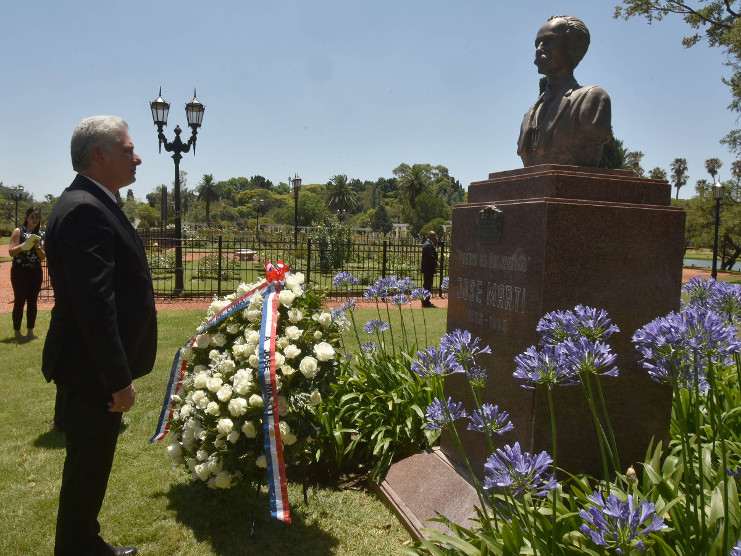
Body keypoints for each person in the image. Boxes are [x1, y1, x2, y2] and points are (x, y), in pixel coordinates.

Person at [42, 116, 157, 556]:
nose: (138, 157)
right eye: (128, 149)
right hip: (93, 373)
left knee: (89, 471)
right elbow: (95, 304)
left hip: (89, 368)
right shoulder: (86, 209)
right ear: (100, 155)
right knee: (87, 472)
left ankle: (85, 545)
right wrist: (117, 379)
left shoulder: (91, 202)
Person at [517, 15, 612, 167]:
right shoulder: (531, 113)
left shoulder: (591, 98)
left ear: (573, 48)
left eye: (549, 41)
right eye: (537, 43)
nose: (539, 49)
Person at [8, 206, 46, 340]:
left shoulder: (40, 234)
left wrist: (37, 247)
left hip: (35, 271)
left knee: (32, 301)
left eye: (37, 217)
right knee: (19, 300)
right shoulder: (19, 231)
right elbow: (11, 252)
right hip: (20, 270)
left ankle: (30, 331)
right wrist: (24, 245)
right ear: (26, 218)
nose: (35, 219)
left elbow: (42, 257)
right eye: (32, 217)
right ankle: (17, 331)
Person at [421, 231, 439, 308]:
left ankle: (425, 301)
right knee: (428, 285)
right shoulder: (428, 245)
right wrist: (436, 263)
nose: (435, 238)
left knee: (426, 285)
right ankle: (426, 302)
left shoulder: (427, 243)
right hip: (428, 269)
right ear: (430, 236)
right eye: (434, 236)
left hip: (427, 269)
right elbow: (431, 257)